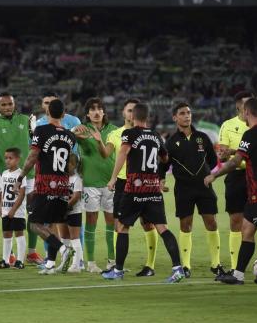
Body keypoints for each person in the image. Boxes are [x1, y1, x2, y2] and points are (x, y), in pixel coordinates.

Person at [102, 103, 185, 283]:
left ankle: (118, 271)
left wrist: (114, 178)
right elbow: (165, 158)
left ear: (133, 117)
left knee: (123, 227)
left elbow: (123, 154)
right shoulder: (156, 136)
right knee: (162, 227)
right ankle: (178, 269)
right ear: (147, 117)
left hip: (134, 187)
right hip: (153, 187)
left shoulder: (129, 134)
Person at [205, 97, 257, 284]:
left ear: (247, 113)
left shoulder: (251, 134)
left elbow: (235, 163)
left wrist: (214, 175)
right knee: (247, 228)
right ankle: (238, 275)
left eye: (243, 110)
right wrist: (234, 151)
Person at [160, 102, 223, 278]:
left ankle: (216, 264)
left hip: (204, 188)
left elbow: (211, 160)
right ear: (175, 118)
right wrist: (161, 180)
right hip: (183, 189)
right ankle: (186, 266)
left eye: (188, 112)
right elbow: (164, 165)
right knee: (185, 225)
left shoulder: (202, 137)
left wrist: (203, 174)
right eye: (182, 113)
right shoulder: (171, 142)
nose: (187, 116)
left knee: (212, 222)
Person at [94, 98, 157, 275]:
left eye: (133, 111)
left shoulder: (147, 134)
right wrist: (99, 141)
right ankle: (117, 264)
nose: (130, 113)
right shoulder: (115, 134)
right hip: (123, 183)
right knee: (119, 225)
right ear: (123, 113)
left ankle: (149, 265)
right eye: (128, 110)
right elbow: (106, 154)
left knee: (148, 224)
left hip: (142, 183)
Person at [17, 99, 76, 275]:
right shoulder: (70, 136)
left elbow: (33, 155)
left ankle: (63, 250)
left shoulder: (41, 130)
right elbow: (70, 163)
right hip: (62, 184)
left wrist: (20, 176)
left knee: (35, 224)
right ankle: (50, 264)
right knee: (50, 224)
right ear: (64, 115)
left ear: (48, 113)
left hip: (45, 183)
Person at [0, 92, 43, 265]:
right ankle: (9, 255)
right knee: (8, 215)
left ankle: (30, 252)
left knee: (31, 214)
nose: (7, 107)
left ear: (14, 105)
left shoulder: (26, 120)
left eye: (10, 104)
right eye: (3, 105)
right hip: (7, 178)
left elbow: (36, 143)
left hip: (29, 175)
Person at [73, 97, 118, 273]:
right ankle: (90, 262)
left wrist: (97, 138)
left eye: (99, 109)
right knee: (91, 221)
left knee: (111, 222)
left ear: (104, 112)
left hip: (109, 182)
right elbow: (70, 136)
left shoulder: (113, 130)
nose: (96, 112)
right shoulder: (83, 130)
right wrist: (75, 133)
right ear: (87, 114)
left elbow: (108, 153)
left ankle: (112, 261)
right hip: (90, 182)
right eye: (92, 109)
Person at [0, 147, 27, 270]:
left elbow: (22, 194)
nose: (7, 161)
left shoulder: (20, 174)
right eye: (6, 158)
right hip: (6, 209)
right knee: (6, 234)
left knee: (19, 233)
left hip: (17, 211)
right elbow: (3, 192)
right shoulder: (4, 173)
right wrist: (1, 206)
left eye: (10, 158)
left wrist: (13, 210)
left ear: (18, 159)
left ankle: (19, 260)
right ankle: (5, 260)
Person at [59, 172, 84, 273]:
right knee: (64, 237)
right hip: (61, 212)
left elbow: (76, 196)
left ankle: (76, 265)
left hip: (74, 212)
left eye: (70, 164)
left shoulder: (77, 179)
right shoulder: (60, 178)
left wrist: (64, 208)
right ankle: (63, 263)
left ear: (74, 165)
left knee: (75, 238)